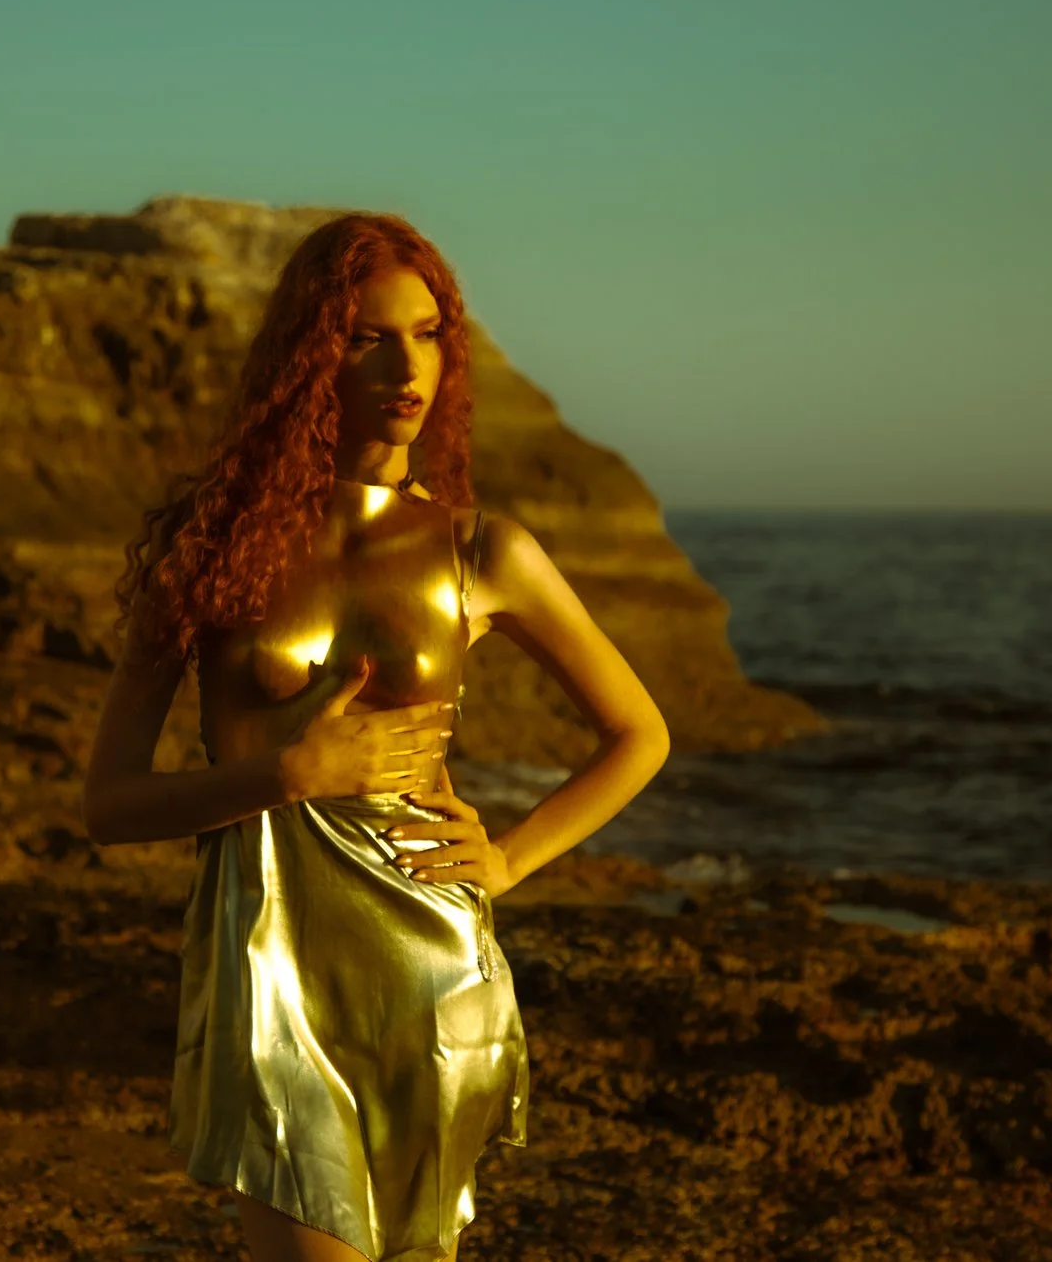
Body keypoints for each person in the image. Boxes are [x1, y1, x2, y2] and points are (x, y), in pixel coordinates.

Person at [81, 211, 672, 1262]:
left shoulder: (478, 547)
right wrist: (285, 772)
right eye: (367, 336)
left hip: (432, 967)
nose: (409, 364)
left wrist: (505, 860)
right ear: (311, 354)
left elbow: (637, 732)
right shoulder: (211, 546)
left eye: (431, 331)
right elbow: (108, 804)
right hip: (272, 973)